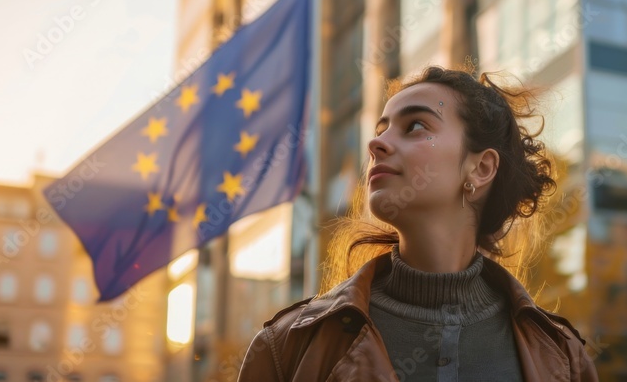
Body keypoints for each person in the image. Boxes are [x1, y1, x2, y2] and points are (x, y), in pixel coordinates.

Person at [236, 66, 598, 381]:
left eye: (415, 126)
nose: (376, 143)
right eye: (382, 129)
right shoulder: (290, 348)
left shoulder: (562, 359)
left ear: (481, 168)